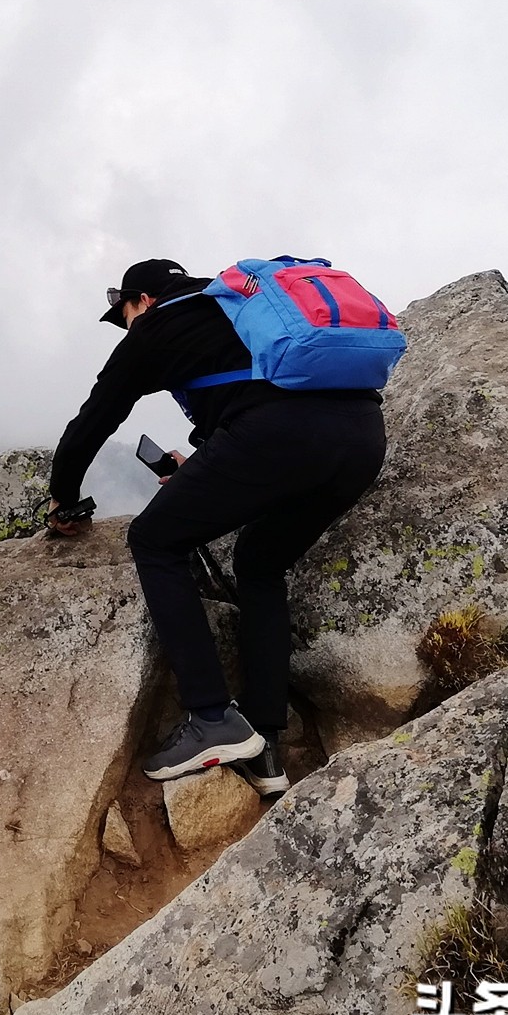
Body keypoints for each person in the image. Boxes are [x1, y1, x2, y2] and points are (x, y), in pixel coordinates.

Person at [47, 257, 387, 794]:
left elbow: (93, 422)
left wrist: (64, 499)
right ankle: (266, 746)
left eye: (125, 314)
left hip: (275, 435)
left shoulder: (157, 326)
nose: (127, 327)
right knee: (259, 563)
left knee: (155, 540)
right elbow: (253, 391)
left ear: (142, 300)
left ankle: (211, 717)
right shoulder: (241, 307)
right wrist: (201, 467)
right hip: (363, 439)